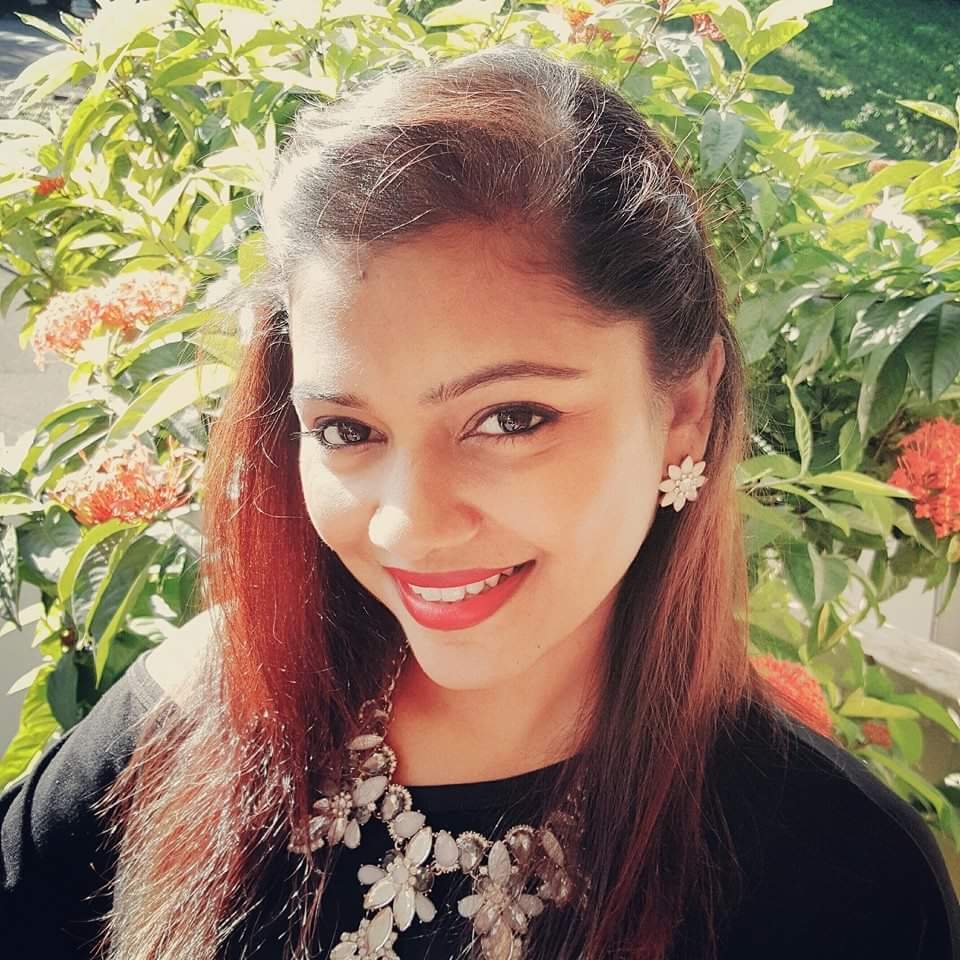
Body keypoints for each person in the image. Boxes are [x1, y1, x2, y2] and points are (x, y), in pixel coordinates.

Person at [1, 43, 957, 960]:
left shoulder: (846, 885)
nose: (407, 525)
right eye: (345, 429)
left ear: (684, 411)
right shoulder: (188, 716)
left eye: (510, 419)